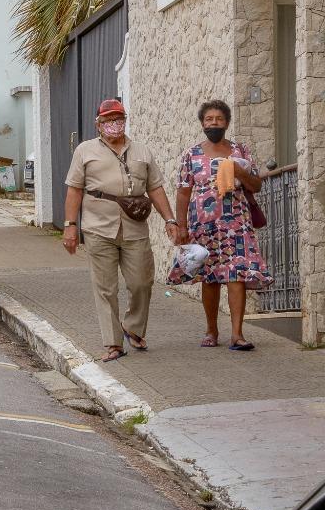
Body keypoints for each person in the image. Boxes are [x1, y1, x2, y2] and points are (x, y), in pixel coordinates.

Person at [64, 99, 178, 362]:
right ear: (99, 124)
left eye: (119, 119)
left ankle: (133, 326)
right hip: (97, 227)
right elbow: (74, 189)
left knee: (141, 282)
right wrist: (70, 226)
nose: (114, 125)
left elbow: (156, 188)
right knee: (105, 288)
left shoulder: (142, 151)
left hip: (135, 226)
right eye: (108, 120)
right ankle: (113, 343)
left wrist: (170, 220)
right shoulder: (84, 151)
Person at [169, 99, 272, 351]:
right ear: (202, 123)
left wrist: (238, 171)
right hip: (204, 225)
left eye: (218, 119)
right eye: (208, 119)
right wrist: (181, 226)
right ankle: (211, 330)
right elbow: (183, 192)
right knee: (210, 277)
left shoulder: (240, 151)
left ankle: (237, 334)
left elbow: (256, 185)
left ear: (226, 122)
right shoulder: (191, 154)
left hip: (237, 223)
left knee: (236, 275)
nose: (213, 123)